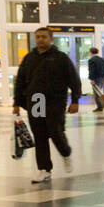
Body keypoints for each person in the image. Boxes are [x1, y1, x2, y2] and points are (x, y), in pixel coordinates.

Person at [13, 27, 82, 183]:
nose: (40, 39)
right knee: (40, 134)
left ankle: (65, 153)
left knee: (55, 131)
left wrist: (75, 100)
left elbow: (74, 80)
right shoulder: (29, 58)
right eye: (38, 37)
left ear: (51, 39)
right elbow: (20, 81)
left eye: (44, 37)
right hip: (36, 100)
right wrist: (17, 103)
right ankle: (44, 169)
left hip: (55, 100)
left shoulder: (61, 58)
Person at [87, 47, 104, 113]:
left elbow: (92, 70)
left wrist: (92, 79)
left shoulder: (91, 60)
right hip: (102, 78)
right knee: (99, 92)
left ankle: (100, 107)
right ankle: (101, 106)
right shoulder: (102, 60)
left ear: (91, 52)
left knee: (96, 93)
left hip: (96, 78)